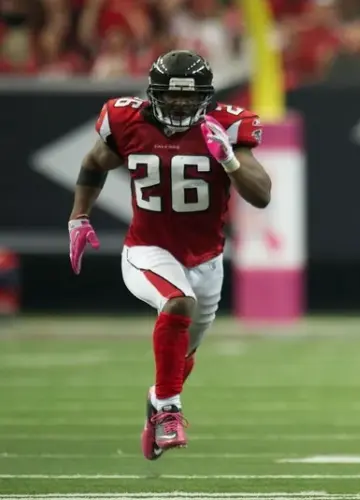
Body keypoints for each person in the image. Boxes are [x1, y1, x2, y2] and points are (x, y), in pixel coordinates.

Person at [67, 50, 272, 461]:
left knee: (183, 354)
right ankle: (168, 412)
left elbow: (262, 195)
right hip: (147, 249)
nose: (179, 104)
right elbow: (94, 161)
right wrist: (79, 216)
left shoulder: (228, 126)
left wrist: (229, 159)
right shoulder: (126, 120)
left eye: (188, 96)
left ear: (206, 96)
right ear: (153, 93)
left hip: (206, 260)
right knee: (178, 303)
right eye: (171, 96)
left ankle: (158, 400)